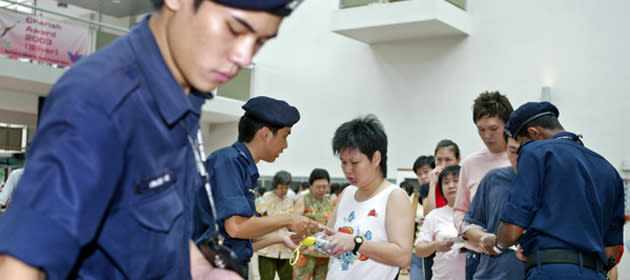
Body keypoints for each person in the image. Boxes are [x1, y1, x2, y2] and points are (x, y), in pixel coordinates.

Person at [0, 0, 304, 279]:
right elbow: (19, 265)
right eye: (234, 29)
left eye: (260, 42)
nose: (243, 56)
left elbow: (155, 228)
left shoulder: (180, 100)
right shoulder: (101, 101)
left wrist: (203, 271)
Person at [493, 101, 624, 279]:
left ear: (534, 133)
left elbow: (512, 229)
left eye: (521, 145)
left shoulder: (535, 152)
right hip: (594, 273)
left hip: (549, 272)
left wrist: (498, 243)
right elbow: (611, 251)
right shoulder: (608, 170)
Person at [192, 96, 317, 275]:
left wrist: (279, 237)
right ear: (265, 133)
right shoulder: (228, 162)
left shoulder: (243, 167)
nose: (286, 145)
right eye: (284, 136)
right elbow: (236, 228)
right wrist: (289, 219)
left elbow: (237, 242)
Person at [323, 115, 414, 280]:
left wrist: (356, 243)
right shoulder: (347, 193)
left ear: (376, 158)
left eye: (355, 162)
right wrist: (312, 238)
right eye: (343, 162)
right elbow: (329, 237)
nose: (348, 170)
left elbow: (403, 256)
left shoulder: (394, 197)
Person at [452, 91, 513, 280]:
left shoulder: (521, 161)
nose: (487, 135)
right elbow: (460, 211)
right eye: (481, 129)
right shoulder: (471, 163)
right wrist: (480, 237)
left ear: (507, 124)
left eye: (493, 128)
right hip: (476, 255)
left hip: (512, 257)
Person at [462, 135, 525, 279]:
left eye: (523, 152)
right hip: (493, 273)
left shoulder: (552, 182)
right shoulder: (494, 179)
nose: (518, 159)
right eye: (512, 151)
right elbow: (468, 225)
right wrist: (483, 237)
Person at [418, 140, 460, 280]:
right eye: (439, 160)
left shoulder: (462, 183)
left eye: (448, 160)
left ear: (458, 160)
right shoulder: (428, 186)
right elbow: (428, 215)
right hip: (435, 246)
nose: (443, 165)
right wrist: (433, 184)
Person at [293, 168, 333, 280]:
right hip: (306, 250)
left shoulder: (329, 202)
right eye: (318, 187)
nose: (321, 190)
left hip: (324, 251)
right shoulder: (303, 200)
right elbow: (293, 223)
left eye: (324, 187)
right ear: (311, 185)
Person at [256, 171, 295, 280]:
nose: (284, 191)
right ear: (275, 186)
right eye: (281, 188)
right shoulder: (267, 197)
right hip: (268, 247)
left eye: (286, 188)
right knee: (266, 277)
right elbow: (260, 219)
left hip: (285, 248)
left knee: (287, 277)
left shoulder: (289, 199)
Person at [408, 155, 434, 280]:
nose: (423, 176)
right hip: (416, 251)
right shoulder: (414, 199)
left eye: (426, 172)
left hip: (437, 250)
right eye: (419, 174)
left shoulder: (443, 195)